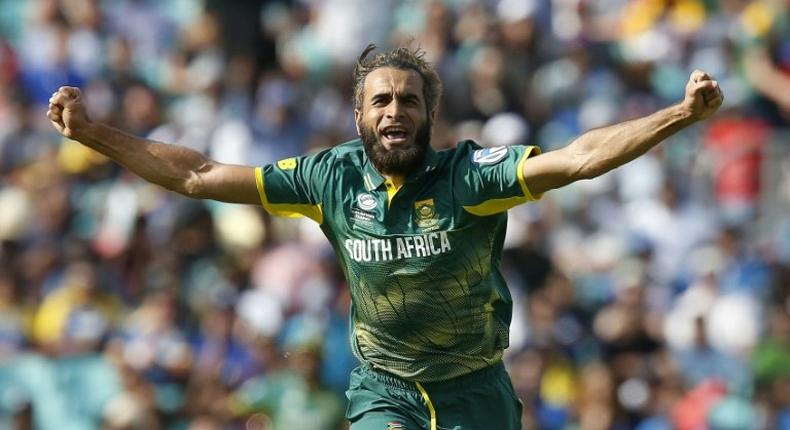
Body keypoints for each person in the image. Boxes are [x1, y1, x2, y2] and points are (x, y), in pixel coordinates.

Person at [47, 45, 723, 430]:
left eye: (409, 100)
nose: (395, 110)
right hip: (385, 390)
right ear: (359, 115)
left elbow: (577, 157)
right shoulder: (328, 178)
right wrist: (94, 134)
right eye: (381, 101)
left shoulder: (470, 176)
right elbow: (199, 175)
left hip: (475, 388)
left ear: (429, 114)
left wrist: (680, 115)